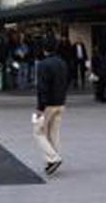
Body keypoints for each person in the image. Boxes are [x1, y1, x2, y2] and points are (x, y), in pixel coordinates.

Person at [33, 37, 68, 176]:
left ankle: (53, 158)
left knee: (38, 131)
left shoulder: (43, 64)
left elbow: (42, 88)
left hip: (47, 105)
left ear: (44, 49)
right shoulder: (62, 63)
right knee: (54, 132)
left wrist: (40, 107)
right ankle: (52, 159)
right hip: (60, 102)